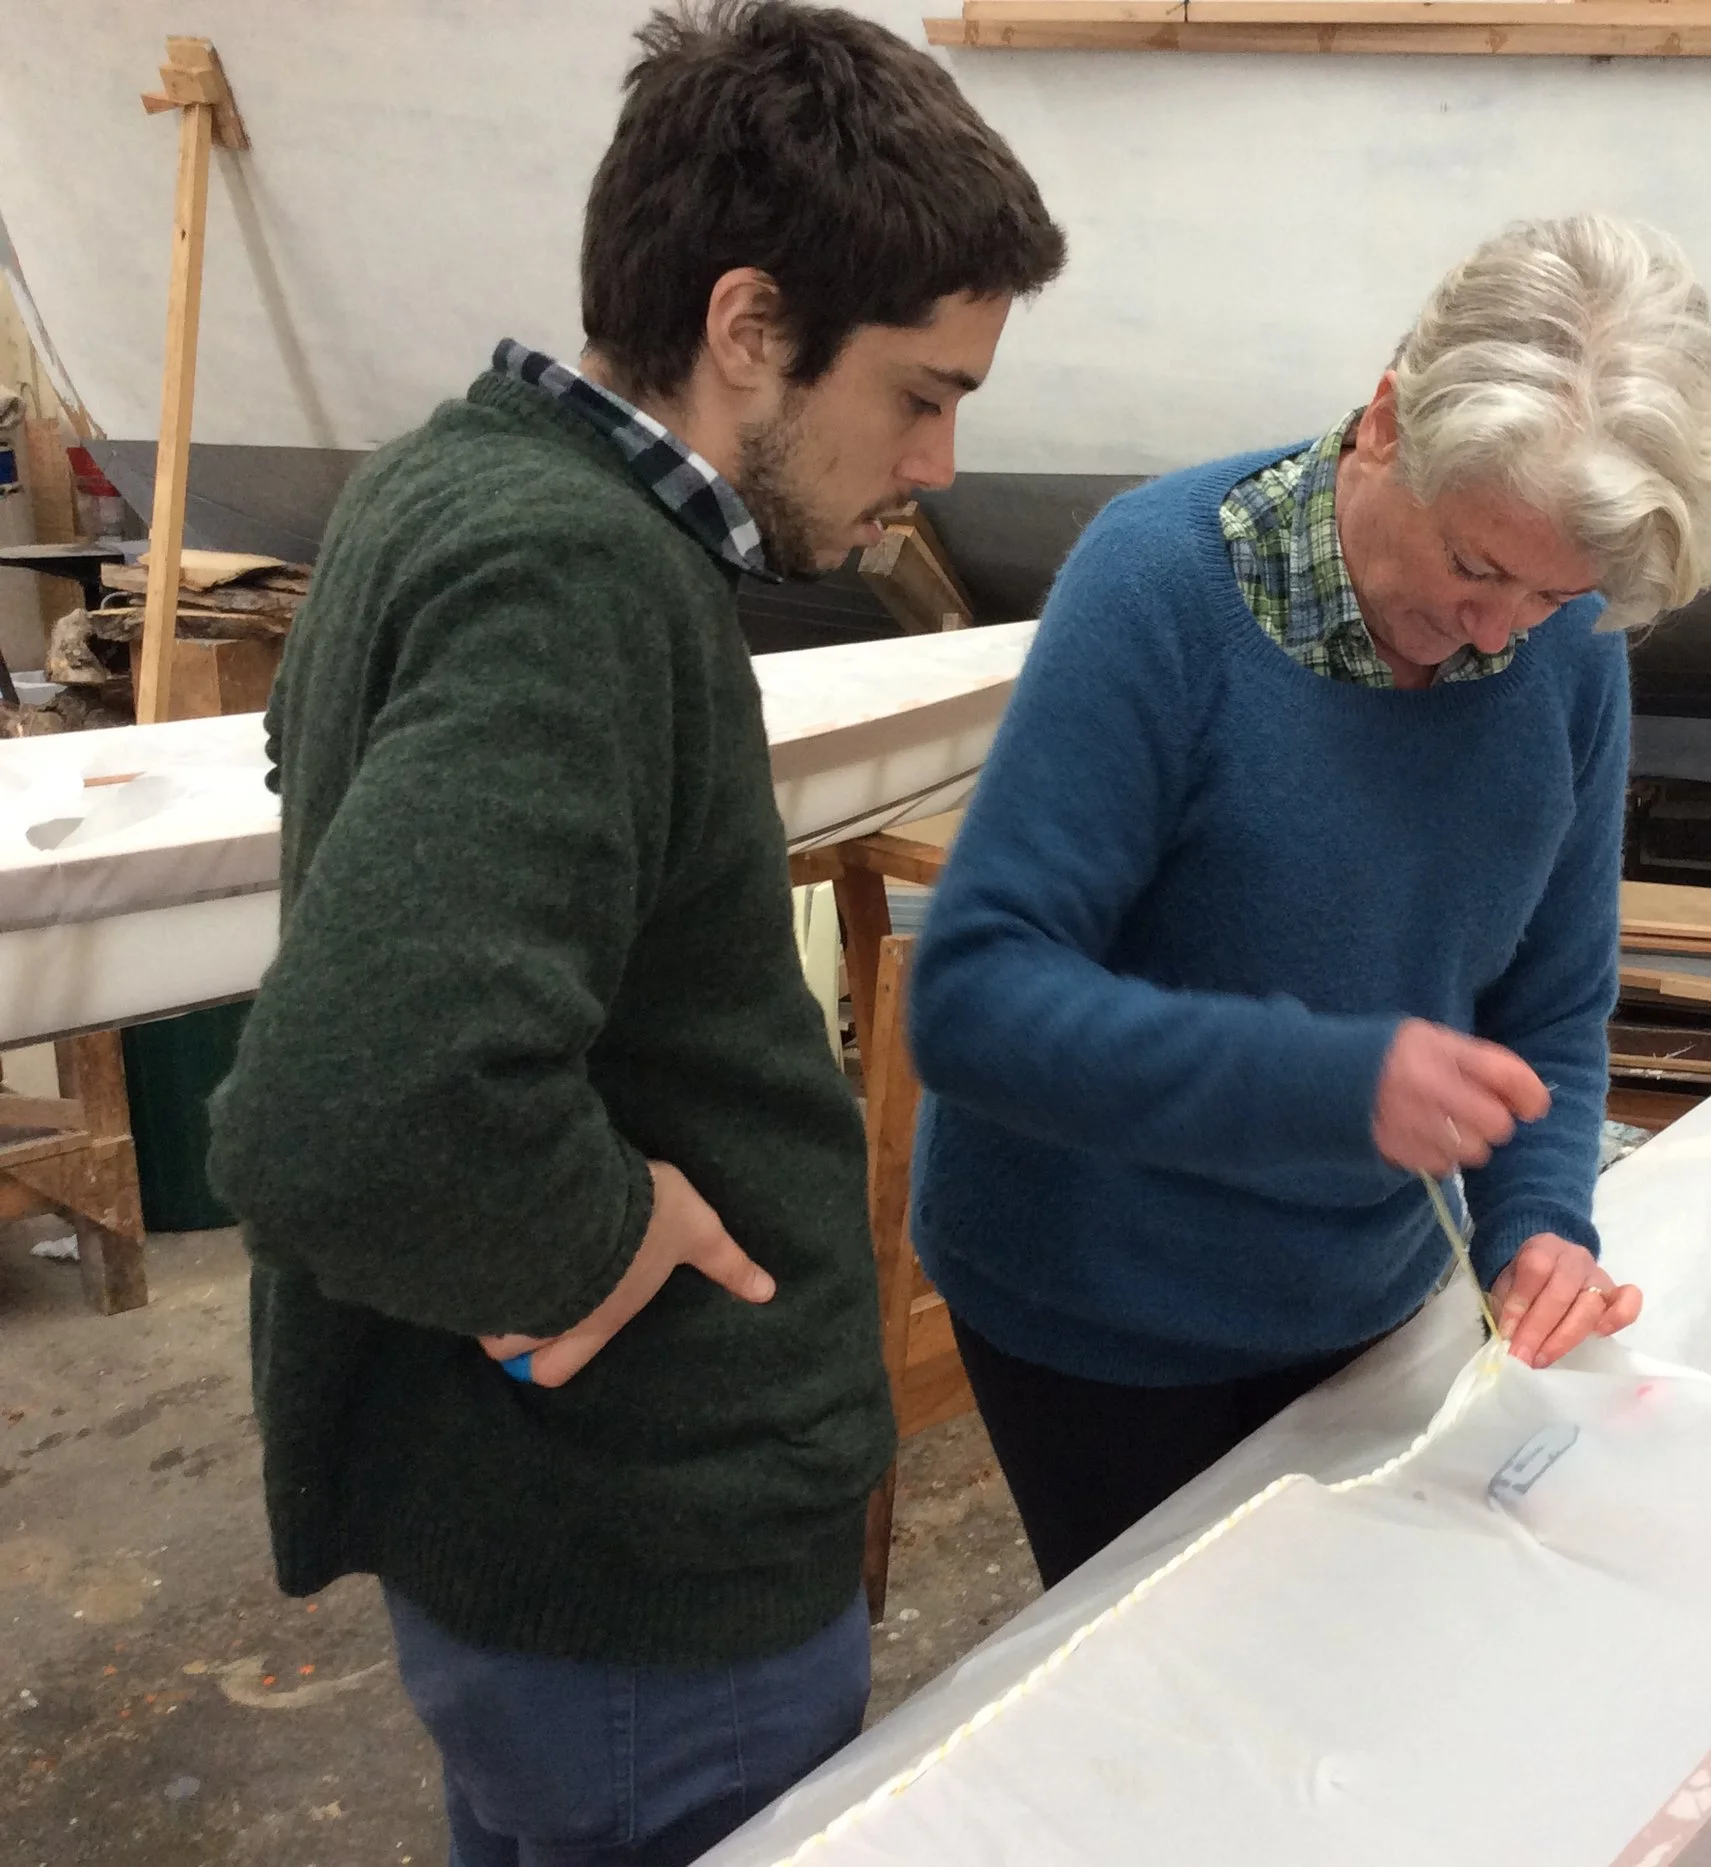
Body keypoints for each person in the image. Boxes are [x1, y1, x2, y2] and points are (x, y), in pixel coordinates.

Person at [206, 7, 1063, 1862]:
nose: (932, 464)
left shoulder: (445, 480)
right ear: (750, 327)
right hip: (643, 1562)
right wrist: (604, 1238)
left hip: (543, 1550)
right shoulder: (572, 571)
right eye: (919, 393)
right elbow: (351, 1110)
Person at [906, 214, 1711, 1588]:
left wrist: (1538, 1224)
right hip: (1100, 1317)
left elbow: (1551, 1000)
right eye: (1477, 567)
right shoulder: (1161, 590)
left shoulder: (1560, 651)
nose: (1502, 632)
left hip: (1364, 1306)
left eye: (1558, 593)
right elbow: (974, 1000)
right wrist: (1333, 1084)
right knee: (1166, 1696)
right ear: (1384, 423)